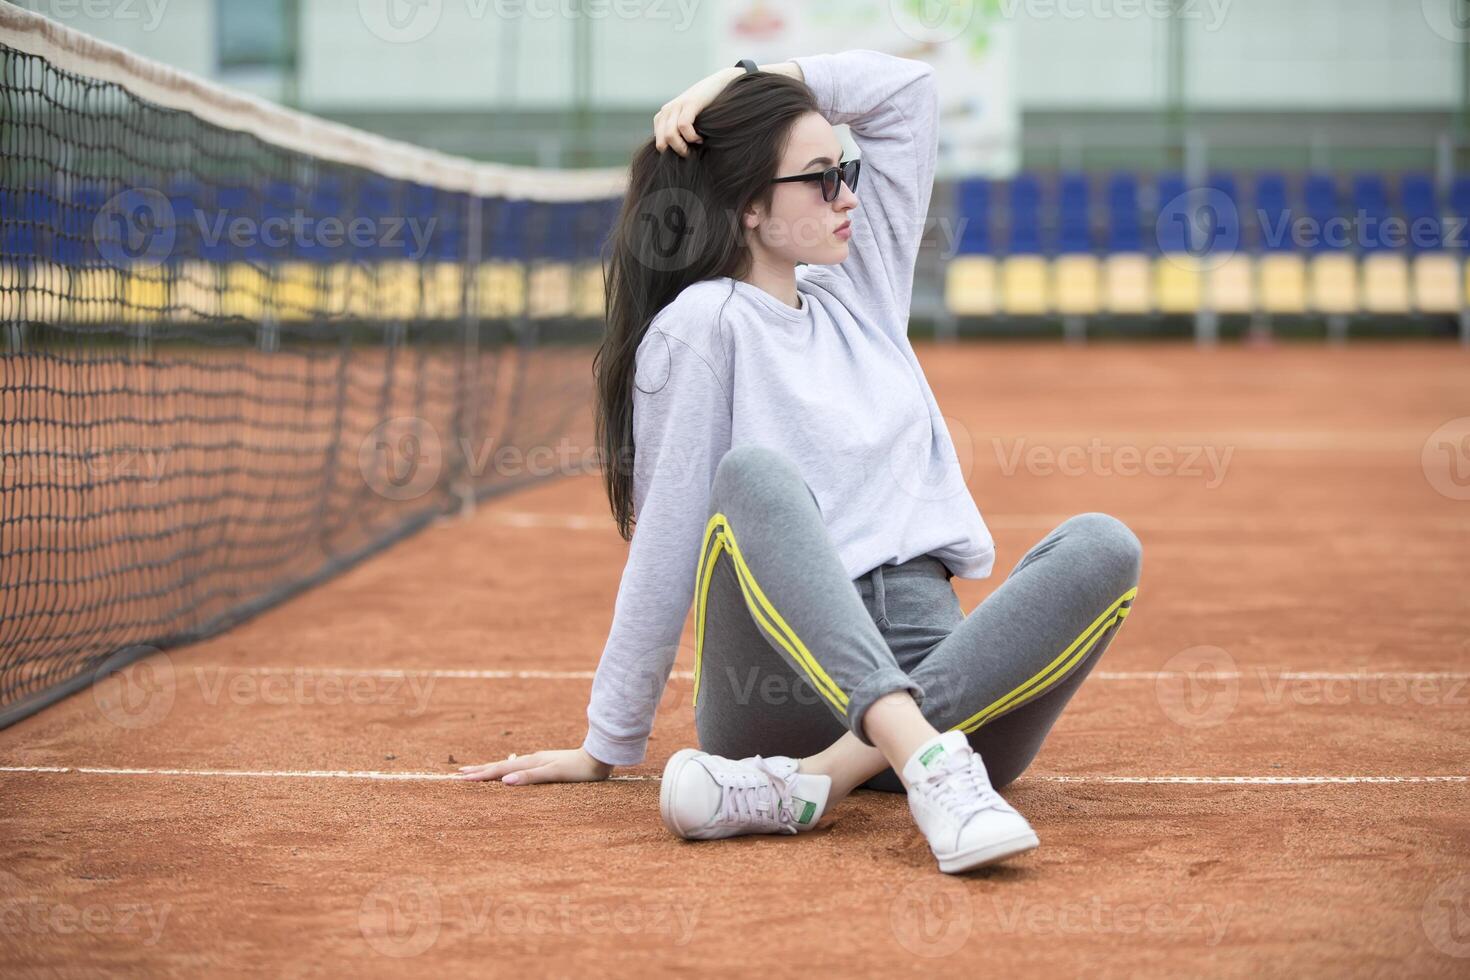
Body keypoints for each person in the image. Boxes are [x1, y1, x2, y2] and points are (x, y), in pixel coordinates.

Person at [458, 50, 1143, 875]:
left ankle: (827, 778)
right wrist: (609, 742)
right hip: (775, 690)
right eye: (820, 178)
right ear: (748, 204)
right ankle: (921, 761)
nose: (847, 194)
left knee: (1105, 544)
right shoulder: (704, 324)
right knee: (754, 476)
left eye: (845, 169)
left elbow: (909, 93)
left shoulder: (861, 294)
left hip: (942, 685)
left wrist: (746, 75)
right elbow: (671, 536)